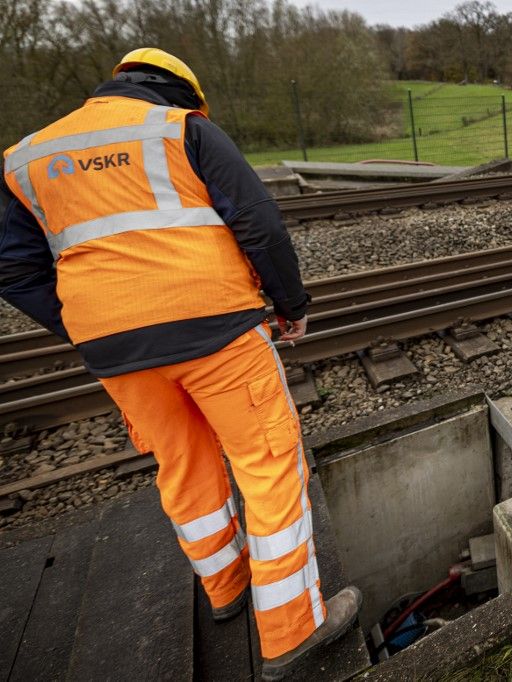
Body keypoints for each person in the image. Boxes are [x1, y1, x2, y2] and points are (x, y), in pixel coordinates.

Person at [0, 48, 359, 680]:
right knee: (268, 465)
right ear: (177, 91)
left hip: (116, 351)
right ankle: (292, 630)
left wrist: (91, 324)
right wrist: (291, 305)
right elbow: (258, 223)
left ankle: (226, 590)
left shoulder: (27, 157)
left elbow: (12, 268)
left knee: (183, 463)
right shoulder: (182, 129)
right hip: (216, 329)